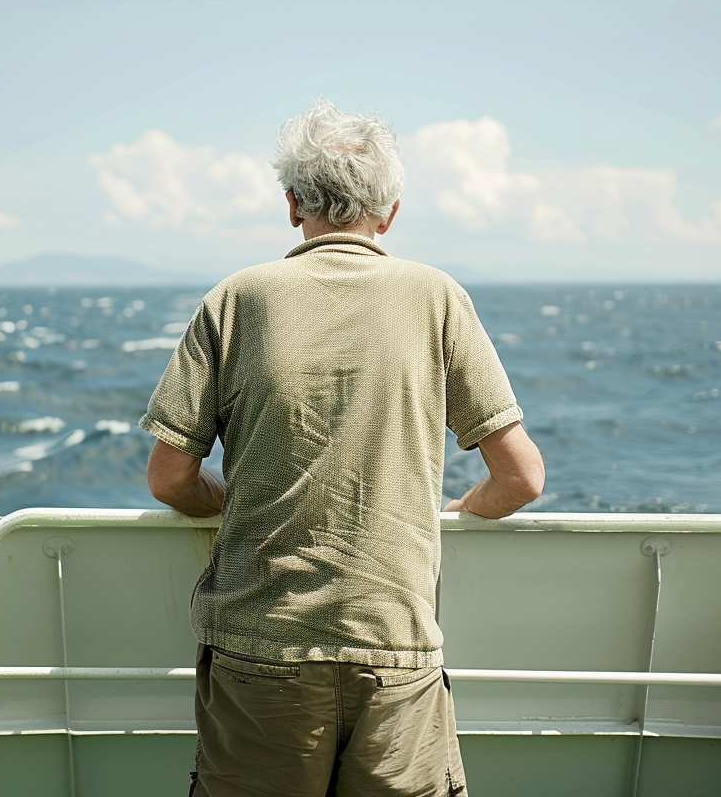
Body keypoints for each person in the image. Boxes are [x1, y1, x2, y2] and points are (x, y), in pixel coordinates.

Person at [141, 99, 545, 797]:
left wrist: (230, 500)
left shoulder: (234, 299)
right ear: (388, 213)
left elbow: (171, 477)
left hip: (259, 645)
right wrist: (457, 509)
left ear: (293, 204)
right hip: (395, 644)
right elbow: (521, 479)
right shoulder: (437, 297)